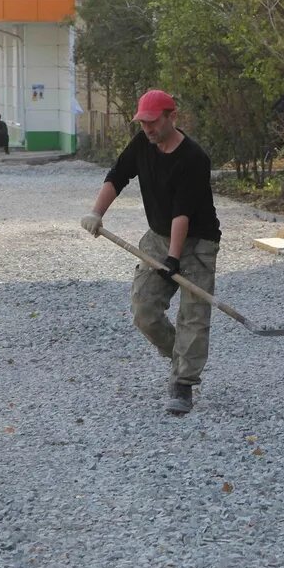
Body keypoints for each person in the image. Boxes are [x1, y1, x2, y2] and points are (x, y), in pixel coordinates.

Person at [81, 89, 221, 415]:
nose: (147, 129)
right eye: (142, 123)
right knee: (144, 310)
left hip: (197, 243)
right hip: (159, 237)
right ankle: (180, 356)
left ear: (172, 117)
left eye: (152, 122)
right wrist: (96, 213)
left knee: (194, 316)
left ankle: (183, 383)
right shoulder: (142, 143)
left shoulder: (193, 159)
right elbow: (117, 176)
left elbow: (182, 213)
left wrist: (173, 259)